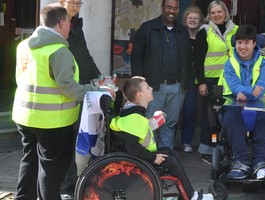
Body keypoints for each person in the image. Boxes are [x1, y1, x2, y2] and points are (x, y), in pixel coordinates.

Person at [12, 3, 114, 200]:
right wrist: (98, 90)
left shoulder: (24, 45)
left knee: (29, 161)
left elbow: (20, 78)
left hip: (24, 116)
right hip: (52, 121)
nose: (70, 26)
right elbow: (70, 89)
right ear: (60, 23)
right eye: (68, 22)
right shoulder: (59, 51)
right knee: (52, 170)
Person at [110, 76, 213, 200]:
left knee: (171, 152)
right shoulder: (134, 118)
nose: (151, 88)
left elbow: (140, 133)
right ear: (140, 95)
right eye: (147, 87)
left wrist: (152, 123)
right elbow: (132, 147)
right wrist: (153, 158)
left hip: (139, 155)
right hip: (136, 160)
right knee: (171, 161)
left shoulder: (133, 111)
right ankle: (191, 196)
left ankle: (187, 193)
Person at [221, 24, 265, 180]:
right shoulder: (230, 63)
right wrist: (248, 92)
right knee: (230, 117)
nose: (243, 46)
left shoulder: (264, 62)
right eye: (240, 42)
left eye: (247, 42)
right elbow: (233, 85)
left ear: (254, 44)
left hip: (260, 105)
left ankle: (260, 163)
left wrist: (245, 93)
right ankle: (240, 161)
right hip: (236, 106)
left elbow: (262, 85)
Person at [131, 0, 192, 149]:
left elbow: (188, 58)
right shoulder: (147, 28)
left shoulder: (182, 30)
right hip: (153, 87)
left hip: (177, 86)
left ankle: (165, 159)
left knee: (169, 124)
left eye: (175, 8)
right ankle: (149, 161)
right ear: (162, 7)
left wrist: (186, 83)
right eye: (169, 7)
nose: (172, 11)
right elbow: (136, 55)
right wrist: (140, 83)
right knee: (150, 123)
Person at [57, 0, 102, 198]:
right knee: (67, 143)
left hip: (82, 90)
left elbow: (84, 55)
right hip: (68, 94)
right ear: (61, 2)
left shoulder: (77, 26)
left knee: (78, 141)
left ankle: (75, 184)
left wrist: (99, 78)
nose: (76, 6)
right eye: (72, 2)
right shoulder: (57, 26)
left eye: (79, 2)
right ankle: (66, 189)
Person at [195, 0, 238, 164]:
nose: (216, 15)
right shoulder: (204, 31)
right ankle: (208, 150)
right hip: (212, 80)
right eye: (213, 13)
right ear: (209, 15)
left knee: (229, 114)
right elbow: (198, 59)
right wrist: (201, 82)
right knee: (212, 115)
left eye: (219, 12)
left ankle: (227, 148)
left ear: (225, 13)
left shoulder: (235, 30)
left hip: (231, 79)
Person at [180, 6, 204, 153]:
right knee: (173, 112)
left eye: (196, 18)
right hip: (180, 78)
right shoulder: (180, 35)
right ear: (185, 20)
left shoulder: (203, 36)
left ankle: (186, 141)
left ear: (200, 20)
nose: (193, 20)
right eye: (190, 18)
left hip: (196, 79)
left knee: (190, 111)